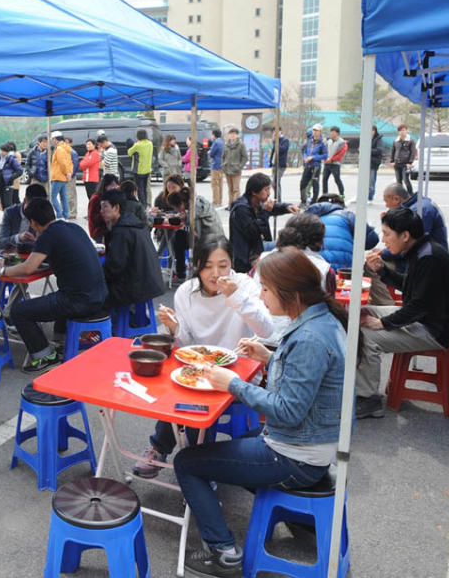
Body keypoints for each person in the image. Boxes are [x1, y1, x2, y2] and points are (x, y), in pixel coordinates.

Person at [173, 247, 346, 577]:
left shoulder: (310, 337)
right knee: (222, 453)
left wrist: (233, 384)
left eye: (265, 289)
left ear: (289, 292)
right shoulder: (318, 321)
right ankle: (296, 516)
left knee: (187, 463)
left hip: (296, 455)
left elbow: (288, 411)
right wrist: (269, 357)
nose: (262, 296)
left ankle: (223, 552)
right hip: (305, 444)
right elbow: (304, 378)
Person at [131, 235, 273, 480]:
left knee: (199, 399)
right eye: (207, 266)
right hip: (198, 368)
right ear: (197, 265)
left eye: (223, 265)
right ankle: (175, 455)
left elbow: (266, 329)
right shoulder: (186, 292)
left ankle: (196, 466)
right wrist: (174, 328)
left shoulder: (246, 286)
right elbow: (187, 345)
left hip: (240, 373)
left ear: (232, 265)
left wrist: (236, 296)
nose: (215, 273)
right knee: (179, 387)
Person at [355, 208, 449, 419]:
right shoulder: (420, 250)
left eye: (387, 234)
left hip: (433, 329)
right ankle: (359, 382)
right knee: (362, 312)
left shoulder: (429, 257)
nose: (384, 240)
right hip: (423, 317)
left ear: (405, 235)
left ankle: (368, 399)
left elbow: (418, 306)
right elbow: (411, 289)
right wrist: (381, 271)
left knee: (367, 335)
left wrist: (384, 323)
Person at [0, 198, 107, 372]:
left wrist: (1, 272)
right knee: (57, 295)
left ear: (33, 222)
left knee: (19, 311)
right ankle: (59, 343)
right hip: (99, 295)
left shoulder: (49, 235)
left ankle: (45, 356)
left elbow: (28, 268)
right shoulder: (73, 227)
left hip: (78, 300)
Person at [253, 213, 332, 346]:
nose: (262, 295)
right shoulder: (322, 267)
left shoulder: (265, 258)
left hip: (261, 335)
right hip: (299, 339)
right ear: (318, 240)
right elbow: (327, 306)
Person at [99, 189, 164, 310]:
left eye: (105, 207)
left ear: (116, 207)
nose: (101, 211)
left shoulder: (122, 231)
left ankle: (105, 327)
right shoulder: (133, 222)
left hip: (137, 286)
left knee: (93, 295)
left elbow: (115, 266)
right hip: (149, 282)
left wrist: (97, 276)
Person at [229, 173, 298, 273]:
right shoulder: (241, 209)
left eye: (269, 189)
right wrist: (265, 212)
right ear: (254, 192)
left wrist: (287, 207)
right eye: (266, 190)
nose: (269, 193)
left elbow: (274, 207)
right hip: (246, 255)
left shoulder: (258, 202)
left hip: (258, 246)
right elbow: (253, 231)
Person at [305, 194, 379, 272]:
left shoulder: (307, 219)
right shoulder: (347, 215)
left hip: (316, 269)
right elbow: (372, 240)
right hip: (344, 270)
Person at [0, 183, 46, 252]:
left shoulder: (44, 213)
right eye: (33, 206)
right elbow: (1, 243)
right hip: (9, 252)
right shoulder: (10, 213)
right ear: (25, 201)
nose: (36, 211)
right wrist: (18, 237)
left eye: (39, 207)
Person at [299, 124, 328, 206]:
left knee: (315, 183)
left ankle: (314, 202)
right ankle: (303, 201)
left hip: (316, 166)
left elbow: (325, 155)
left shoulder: (322, 143)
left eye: (316, 131)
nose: (314, 132)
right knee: (303, 183)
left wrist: (313, 157)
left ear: (320, 132)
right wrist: (305, 157)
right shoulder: (309, 141)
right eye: (313, 130)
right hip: (307, 165)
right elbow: (305, 151)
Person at [87, 174, 121, 242]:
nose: (115, 187)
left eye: (116, 185)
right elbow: (92, 218)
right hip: (99, 231)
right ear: (105, 186)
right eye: (112, 185)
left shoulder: (116, 196)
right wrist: (107, 214)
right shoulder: (96, 199)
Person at [48, 132, 73, 219]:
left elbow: (63, 163)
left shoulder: (59, 149)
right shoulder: (66, 148)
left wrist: (67, 173)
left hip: (58, 176)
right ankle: (65, 216)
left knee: (53, 197)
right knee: (63, 197)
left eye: (52, 139)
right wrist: (68, 173)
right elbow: (69, 163)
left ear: (55, 139)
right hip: (64, 177)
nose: (52, 141)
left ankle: (60, 214)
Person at [222, 128, 248, 207]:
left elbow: (245, 157)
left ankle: (236, 204)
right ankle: (230, 204)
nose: (232, 136)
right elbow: (223, 156)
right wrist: (223, 164)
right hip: (227, 169)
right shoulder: (226, 144)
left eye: (234, 134)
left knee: (236, 189)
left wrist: (239, 166)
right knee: (230, 189)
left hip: (236, 170)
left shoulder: (241, 144)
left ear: (237, 135)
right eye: (230, 134)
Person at [127, 129, 153, 205]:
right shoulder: (150, 143)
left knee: (139, 189)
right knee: (145, 189)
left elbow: (129, 152)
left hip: (139, 170)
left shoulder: (138, 145)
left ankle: (143, 204)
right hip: (147, 169)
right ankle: (145, 204)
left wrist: (135, 143)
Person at [390, 124, 417, 195]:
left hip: (406, 164)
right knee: (398, 181)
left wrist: (410, 163)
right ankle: (401, 195)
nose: (402, 132)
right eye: (400, 130)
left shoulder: (411, 140)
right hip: (397, 163)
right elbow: (393, 151)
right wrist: (392, 161)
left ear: (406, 130)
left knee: (406, 180)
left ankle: (410, 194)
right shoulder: (396, 140)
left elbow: (413, 152)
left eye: (403, 130)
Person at [322, 126, 347, 198]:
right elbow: (325, 151)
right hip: (327, 163)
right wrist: (325, 159)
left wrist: (332, 159)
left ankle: (342, 195)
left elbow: (341, 153)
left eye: (333, 132)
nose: (332, 134)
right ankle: (325, 195)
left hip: (335, 164)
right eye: (331, 132)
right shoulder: (329, 141)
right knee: (324, 179)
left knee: (337, 180)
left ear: (337, 133)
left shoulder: (342, 142)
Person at [0, 143, 23, 210]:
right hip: (0, 183)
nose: (1, 152)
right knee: (3, 203)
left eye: (3, 151)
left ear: (7, 152)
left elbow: (20, 170)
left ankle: (10, 219)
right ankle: (6, 218)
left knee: (8, 203)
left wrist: (11, 177)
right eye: (1, 150)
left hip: (8, 184)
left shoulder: (11, 159)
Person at [268, 127, 290, 200]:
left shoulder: (285, 140)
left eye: (277, 132)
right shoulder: (275, 141)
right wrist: (270, 161)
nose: (275, 133)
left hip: (281, 164)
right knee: (274, 182)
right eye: (274, 132)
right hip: (274, 164)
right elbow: (273, 151)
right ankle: (276, 197)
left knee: (276, 181)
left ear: (281, 132)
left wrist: (275, 141)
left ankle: (278, 199)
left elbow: (282, 149)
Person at [369, 125, 385, 202]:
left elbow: (379, 150)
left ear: (375, 131)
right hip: (365, 163)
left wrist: (368, 150)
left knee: (371, 181)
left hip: (373, 163)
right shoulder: (366, 139)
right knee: (364, 181)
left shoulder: (378, 139)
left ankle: (370, 196)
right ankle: (365, 195)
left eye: (372, 130)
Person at [209, 128, 224, 206]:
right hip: (221, 165)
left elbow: (211, 154)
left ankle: (215, 201)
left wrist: (209, 152)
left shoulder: (216, 142)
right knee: (220, 183)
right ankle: (220, 200)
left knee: (215, 184)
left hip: (215, 165)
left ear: (214, 135)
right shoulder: (221, 142)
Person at [66, 142, 80, 219]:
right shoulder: (65, 152)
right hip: (65, 176)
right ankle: (68, 211)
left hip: (70, 176)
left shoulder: (73, 153)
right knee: (66, 194)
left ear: (71, 144)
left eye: (67, 143)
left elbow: (75, 164)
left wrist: (71, 175)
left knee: (71, 195)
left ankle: (73, 212)